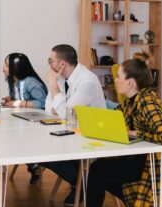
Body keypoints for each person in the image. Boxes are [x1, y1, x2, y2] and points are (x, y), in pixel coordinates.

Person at [86, 52, 162, 207]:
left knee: (97, 170)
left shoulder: (147, 102)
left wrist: (139, 134)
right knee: (99, 169)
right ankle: (135, 201)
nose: (115, 80)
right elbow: (113, 118)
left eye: (119, 76)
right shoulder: (130, 102)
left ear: (130, 83)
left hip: (159, 163)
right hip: (142, 158)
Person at [40, 44, 106, 206]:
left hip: (91, 136)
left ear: (62, 64)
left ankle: (83, 184)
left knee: (52, 156)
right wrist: (61, 106)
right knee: (42, 154)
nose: (49, 64)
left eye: (51, 60)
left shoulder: (87, 81)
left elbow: (65, 113)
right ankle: (79, 182)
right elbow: (48, 106)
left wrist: (54, 87)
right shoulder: (63, 78)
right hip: (72, 131)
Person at [2, 53, 48, 184]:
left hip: (36, 124)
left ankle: (34, 165)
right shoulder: (12, 80)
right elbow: (18, 98)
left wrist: (18, 103)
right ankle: (33, 165)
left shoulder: (30, 82)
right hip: (22, 120)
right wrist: (11, 99)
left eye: (6, 65)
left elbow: (43, 103)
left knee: (15, 138)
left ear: (15, 68)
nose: (3, 68)